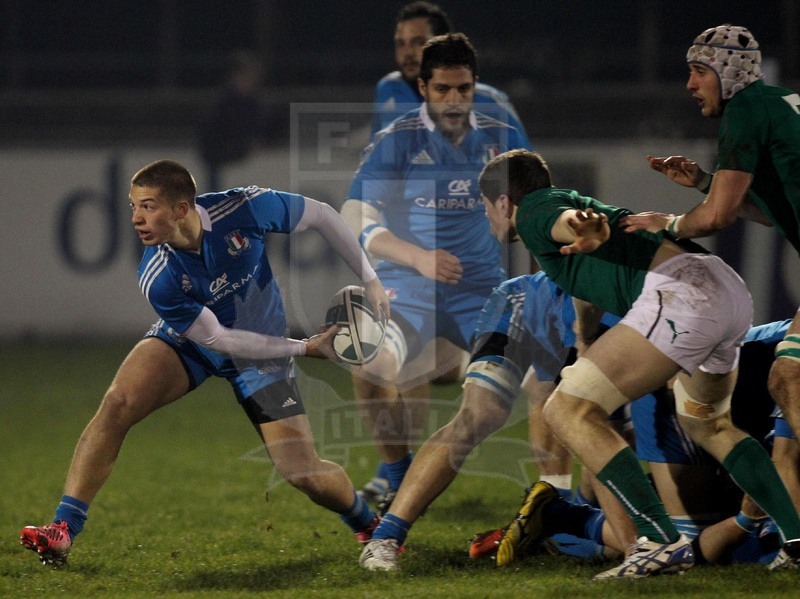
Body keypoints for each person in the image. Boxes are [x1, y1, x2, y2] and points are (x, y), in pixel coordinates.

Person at [19, 160, 390, 567]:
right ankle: (63, 529)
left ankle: (370, 524)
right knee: (117, 404)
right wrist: (304, 348)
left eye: (147, 206)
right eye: (132, 207)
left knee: (302, 473)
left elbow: (321, 214)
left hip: (260, 357)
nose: (135, 219)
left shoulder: (243, 209)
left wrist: (370, 279)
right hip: (194, 343)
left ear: (181, 209)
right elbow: (216, 338)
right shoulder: (156, 272)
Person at [473, 148, 800, 579]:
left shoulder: (535, 210)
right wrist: (584, 336)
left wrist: (583, 229)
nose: (489, 218)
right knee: (707, 423)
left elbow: (566, 221)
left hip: (681, 294)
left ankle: (660, 543)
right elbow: (583, 273)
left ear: (502, 202)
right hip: (723, 288)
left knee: (566, 410)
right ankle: (795, 539)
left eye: (486, 208)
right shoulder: (569, 205)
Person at [340, 33, 529, 514]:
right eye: (443, 89)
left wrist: (516, 224)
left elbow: (530, 202)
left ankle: (557, 496)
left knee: (550, 375)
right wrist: (417, 256)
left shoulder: (499, 133)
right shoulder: (398, 140)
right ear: (422, 87)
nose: (453, 100)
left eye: (463, 89)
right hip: (410, 289)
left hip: (482, 293)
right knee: (366, 359)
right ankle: (401, 477)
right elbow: (354, 216)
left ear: (474, 86)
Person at [621, 25, 800, 455]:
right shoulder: (779, 103)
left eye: (700, 70)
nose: (690, 84)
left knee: (787, 377)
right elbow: (770, 212)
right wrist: (705, 182)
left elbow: (717, 217)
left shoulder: (744, 112)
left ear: (730, 71)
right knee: (788, 403)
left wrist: (667, 224)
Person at [370, 1, 529, 144]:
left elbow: (527, 168)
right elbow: (376, 154)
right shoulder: (388, 89)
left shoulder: (491, 103)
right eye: (400, 43)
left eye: (418, 42)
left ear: (442, 43)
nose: (407, 52)